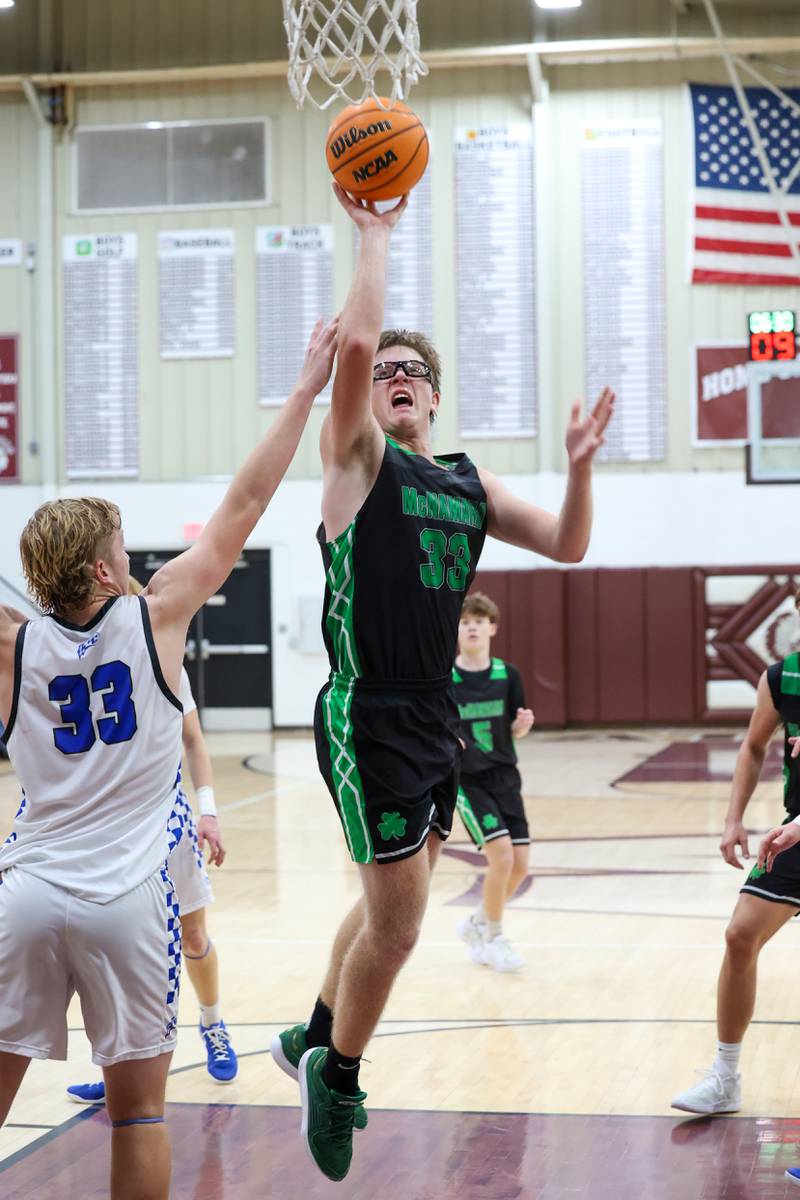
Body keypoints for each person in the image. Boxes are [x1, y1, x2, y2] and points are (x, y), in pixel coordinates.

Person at [270, 182, 614, 1183]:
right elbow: (353, 346)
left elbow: (567, 544)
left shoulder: (466, 482)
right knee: (403, 922)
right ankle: (335, 1076)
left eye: (414, 371)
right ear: (365, 393)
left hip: (432, 718)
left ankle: (314, 1030)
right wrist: (372, 235)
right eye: (383, 371)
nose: (398, 378)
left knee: (395, 896)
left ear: (434, 393)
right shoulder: (353, 460)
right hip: (366, 712)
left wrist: (578, 466)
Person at [0, 317, 337, 1200]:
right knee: (140, 1115)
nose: (134, 557)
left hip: (26, 894)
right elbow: (246, 505)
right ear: (107, 572)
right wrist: (304, 390)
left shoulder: (13, 648)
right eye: (121, 548)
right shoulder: (155, 616)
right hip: (123, 900)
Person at [67, 614, 237, 1103]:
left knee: (193, 933)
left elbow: (193, 740)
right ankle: (117, 1067)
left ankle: (213, 1023)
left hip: (168, 821)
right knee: (116, 949)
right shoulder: (79, 670)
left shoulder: (165, 666)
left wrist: (208, 812)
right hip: (109, 831)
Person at [671, 596, 800, 1119]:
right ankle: (725, 1077)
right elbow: (753, 747)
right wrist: (733, 819)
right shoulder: (781, 678)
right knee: (739, 934)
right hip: (795, 831)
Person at [453, 591, 534, 973]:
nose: (471, 627)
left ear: (492, 628)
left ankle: (474, 924)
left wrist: (521, 728)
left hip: (506, 777)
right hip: (469, 783)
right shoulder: (446, 679)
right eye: (465, 621)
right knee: (501, 857)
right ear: (456, 629)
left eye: (478, 621)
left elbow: (515, 728)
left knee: (518, 865)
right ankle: (495, 937)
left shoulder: (507, 675)